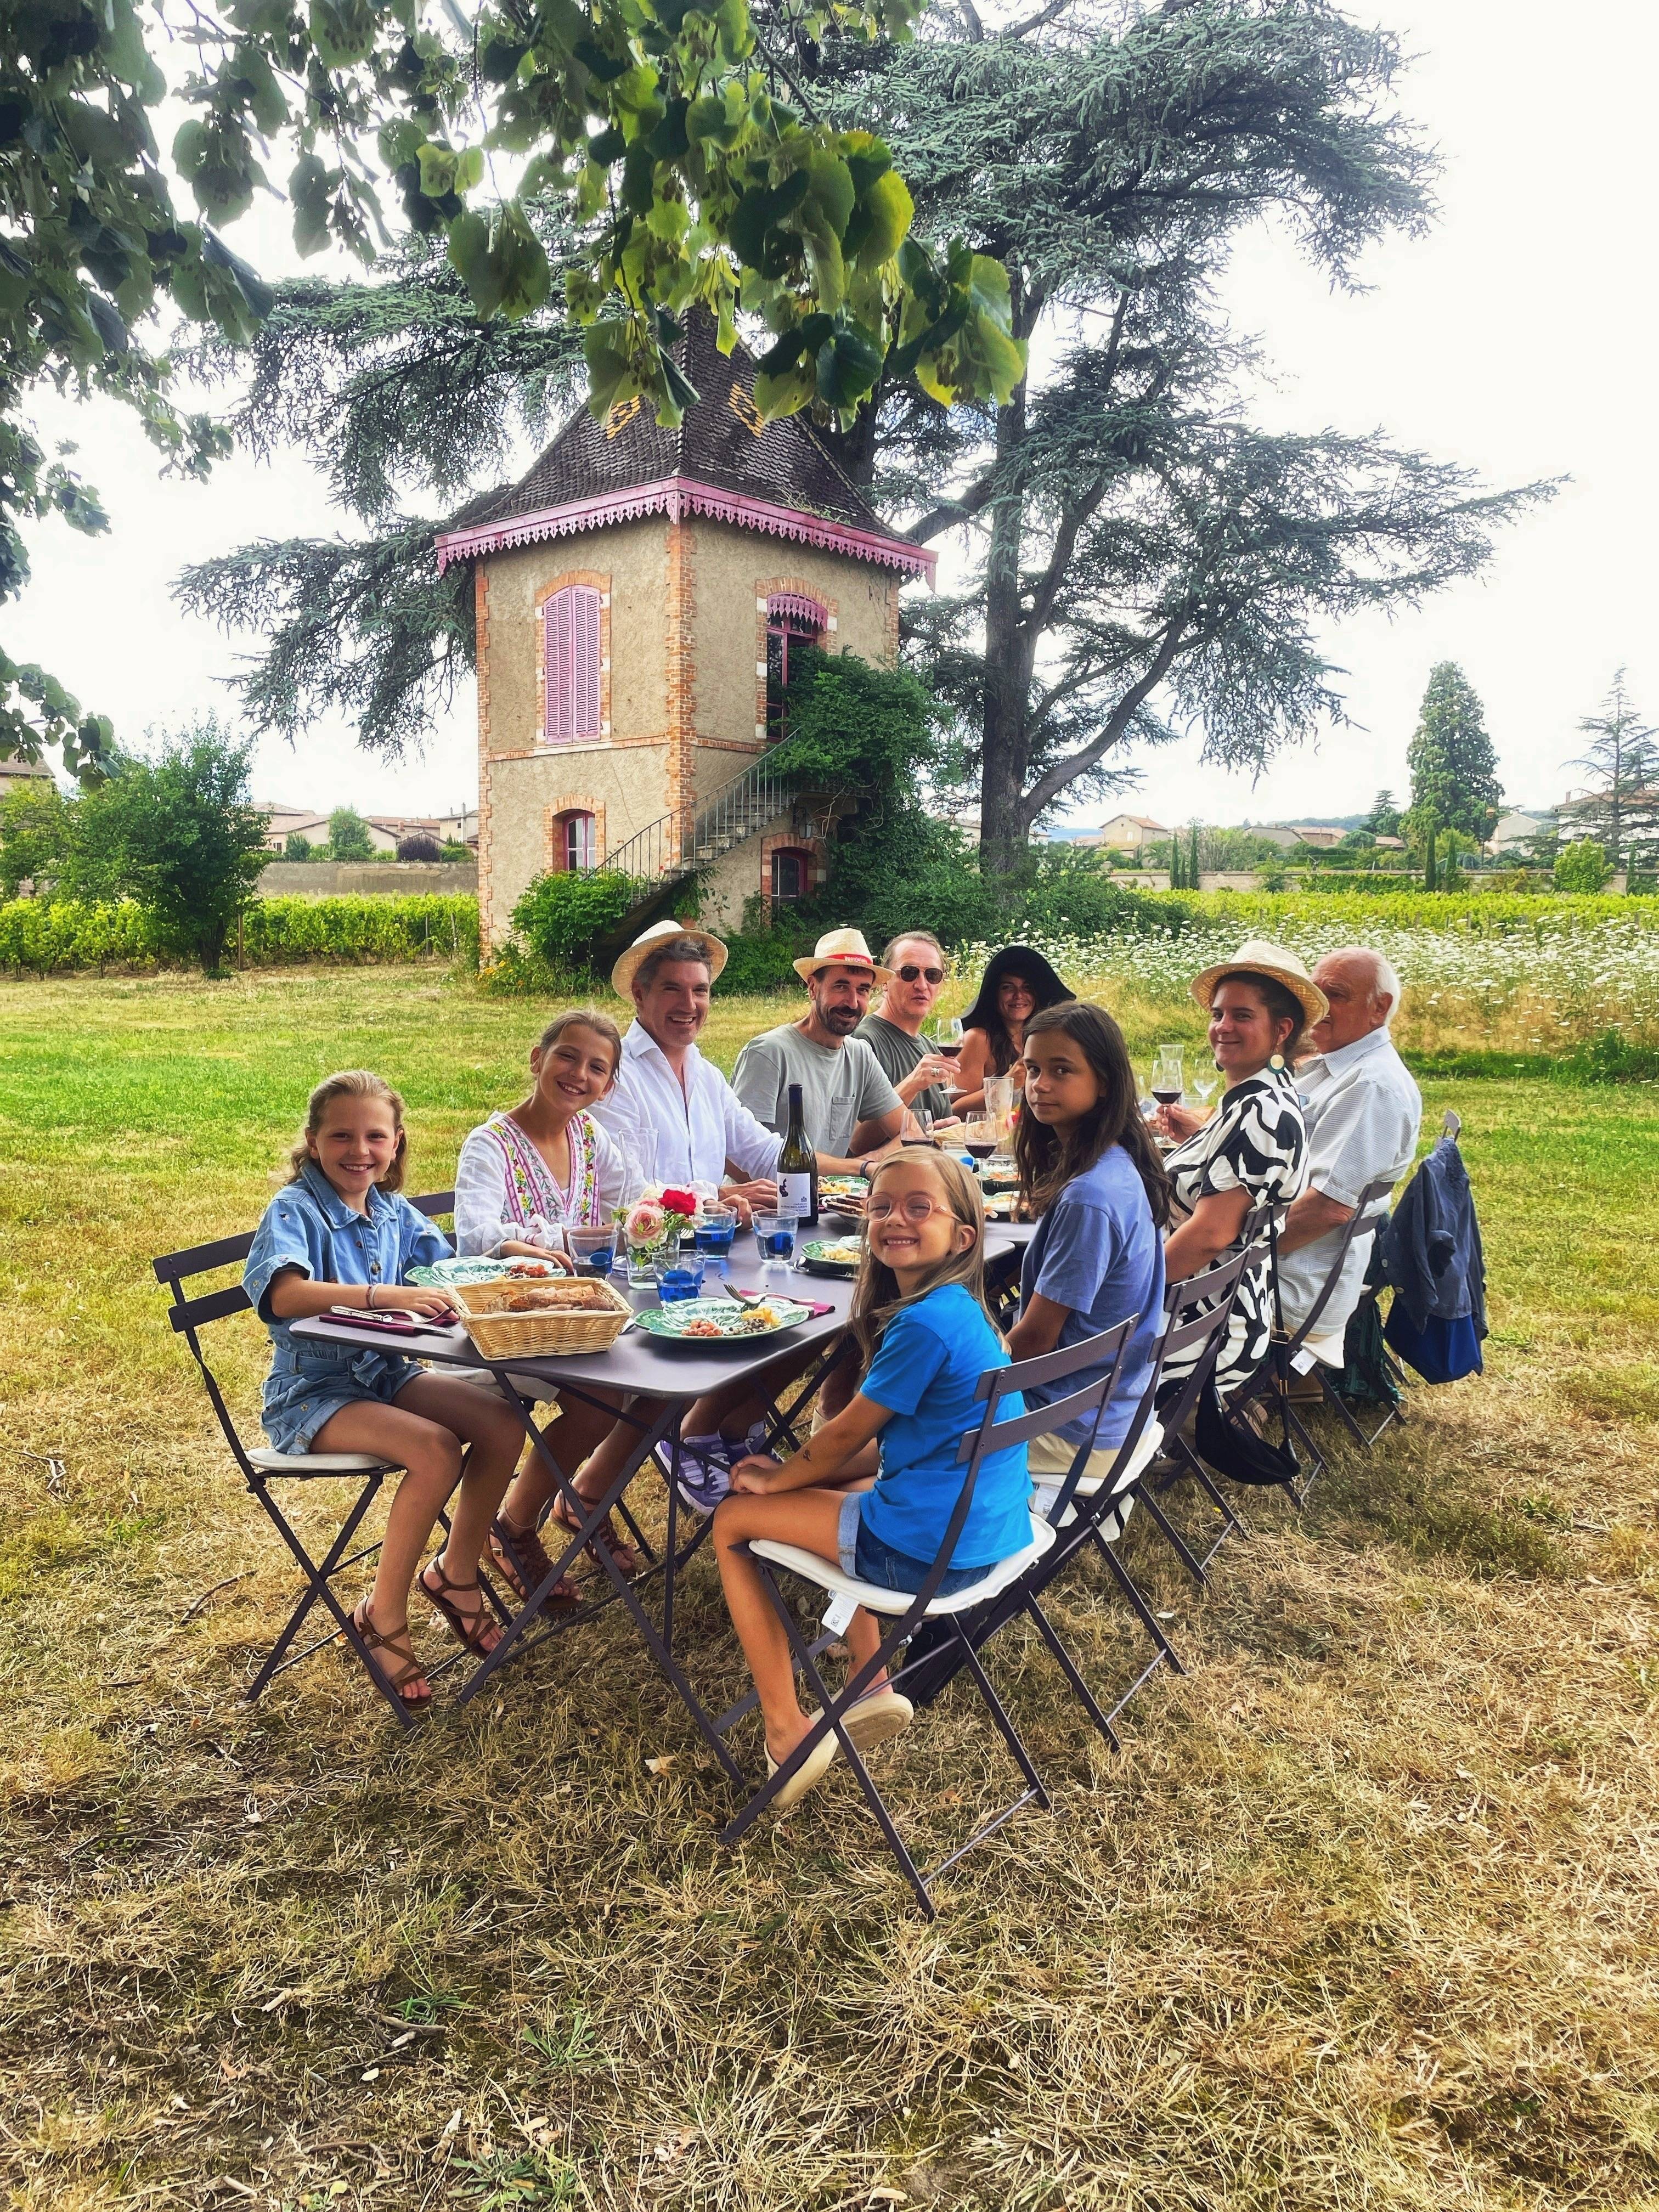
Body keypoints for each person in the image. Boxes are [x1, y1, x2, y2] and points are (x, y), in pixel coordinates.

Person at [713, 1152, 1033, 1808]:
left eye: (920, 1208)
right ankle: (872, 1681)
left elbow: (843, 1437)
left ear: (962, 1237)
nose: (896, 1219)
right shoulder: (965, 1312)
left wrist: (778, 1481)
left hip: (924, 1556)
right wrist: (798, 1477)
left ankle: (786, 1729)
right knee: (844, 1492)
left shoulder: (921, 1324)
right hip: (987, 1539)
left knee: (731, 1523)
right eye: (882, 1206)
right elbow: (887, 1450)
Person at [243, 1071, 528, 1706]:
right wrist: (383, 1295)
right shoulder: (295, 1209)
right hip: (314, 1393)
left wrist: (510, 1261)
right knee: (434, 1449)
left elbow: (448, 1271)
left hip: (388, 1373)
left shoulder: (392, 1211)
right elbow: (285, 1294)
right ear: (314, 1142)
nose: (359, 1150)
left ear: (396, 1144)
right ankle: (383, 1614)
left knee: (505, 1423)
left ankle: (455, 1576)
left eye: (375, 1136)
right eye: (341, 1135)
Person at [454, 1009, 635, 1604]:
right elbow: (475, 1234)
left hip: (579, 1319)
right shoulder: (492, 1143)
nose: (579, 1073)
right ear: (538, 1059)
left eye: (596, 1068)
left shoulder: (589, 1136)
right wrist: (547, 1246)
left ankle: (584, 1495)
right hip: (506, 1327)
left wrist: (664, 1209)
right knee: (609, 1393)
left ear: (607, 1086)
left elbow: (632, 1198)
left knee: (664, 1378)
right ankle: (516, 1523)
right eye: (568, 1056)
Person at [1007, 1003, 1170, 1513]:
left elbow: (1033, 1343)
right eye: (1033, 1069)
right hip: (1114, 1405)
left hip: (1073, 1427)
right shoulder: (1119, 1164)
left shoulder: (1089, 1198)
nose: (1040, 1085)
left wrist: (955, 1378)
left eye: (1061, 1070)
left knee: (908, 1419)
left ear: (1104, 1082)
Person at [1154, 941, 1318, 1400]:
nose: (1223, 1027)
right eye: (1217, 1014)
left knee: (1048, 1325)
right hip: (1218, 1310)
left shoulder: (1261, 1113)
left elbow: (1210, 1235)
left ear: (1281, 1030)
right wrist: (1197, 1139)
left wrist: (1126, 1290)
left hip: (1200, 1330)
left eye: (1242, 1016)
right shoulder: (1260, 1101)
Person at [1277, 948, 1423, 1377]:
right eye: (1315, 994)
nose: (1318, 1007)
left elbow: (1328, 1209)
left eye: (1335, 995)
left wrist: (1238, 1255)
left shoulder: (1371, 1085)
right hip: (1293, 1265)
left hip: (1294, 1285)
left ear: (1380, 1009)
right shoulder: (1337, 1066)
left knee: (1143, 1278)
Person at [594, 921, 783, 1218]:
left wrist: (840, 1183)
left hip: (713, 1249)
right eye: (673, 989)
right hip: (642, 1260)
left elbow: (764, 1153)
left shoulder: (708, 1076)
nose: (689, 1004)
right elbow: (625, 1192)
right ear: (639, 994)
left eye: (700, 991)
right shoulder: (612, 1074)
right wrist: (714, 1196)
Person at [731, 927, 906, 1160]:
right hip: (770, 1196)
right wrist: (858, 1168)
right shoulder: (769, 1053)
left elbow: (909, 1133)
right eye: (841, 986)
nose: (853, 1002)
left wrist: (873, 1160)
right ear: (813, 988)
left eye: (863, 990)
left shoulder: (860, 1055)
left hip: (833, 1195)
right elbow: (742, 1155)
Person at [952, 945, 1074, 1115]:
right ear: (995, 995)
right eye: (1008, 988)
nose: (1018, 996)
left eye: (1027, 988)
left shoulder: (1042, 1038)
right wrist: (1008, 1083)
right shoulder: (979, 1039)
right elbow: (955, 1109)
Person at [855, 930, 960, 1128]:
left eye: (932, 975)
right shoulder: (863, 1042)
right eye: (909, 973)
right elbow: (854, 1140)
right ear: (885, 982)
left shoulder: (931, 1047)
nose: (922, 985)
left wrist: (943, 1130)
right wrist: (913, 1083)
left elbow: (932, 1130)